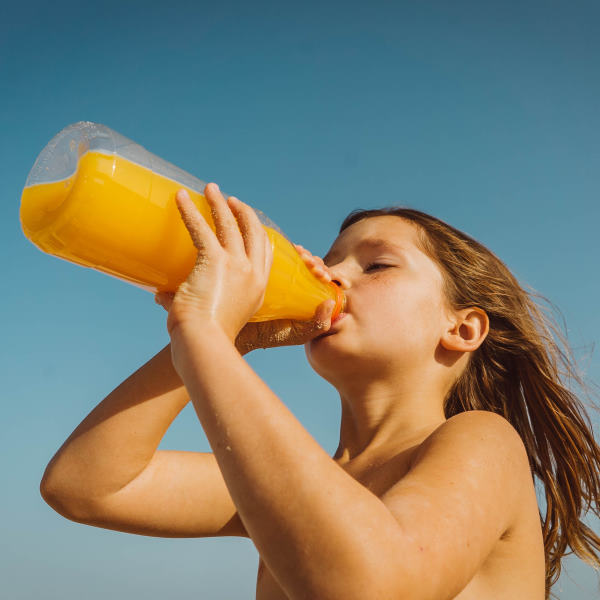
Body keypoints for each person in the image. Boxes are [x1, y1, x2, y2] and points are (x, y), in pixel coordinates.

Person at [40, 183, 600, 600]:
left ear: (462, 329)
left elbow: (371, 585)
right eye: (327, 263)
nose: (330, 276)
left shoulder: (484, 441)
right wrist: (226, 340)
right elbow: (85, 485)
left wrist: (204, 335)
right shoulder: (301, 480)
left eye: (376, 264)